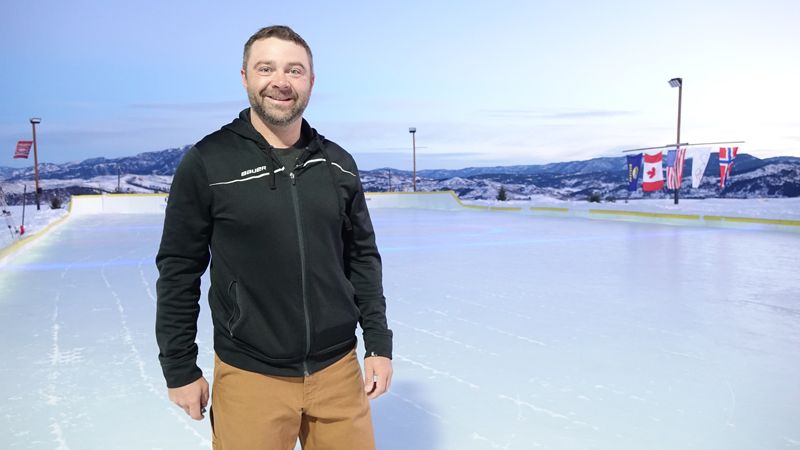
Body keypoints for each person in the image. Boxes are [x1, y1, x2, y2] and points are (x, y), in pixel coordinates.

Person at [155, 25, 393, 450]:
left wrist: (377, 343)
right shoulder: (209, 162)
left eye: (294, 70)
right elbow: (179, 269)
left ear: (311, 81)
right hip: (250, 375)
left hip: (338, 371)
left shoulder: (338, 164)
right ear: (245, 77)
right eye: (266, 68)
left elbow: (361, 257)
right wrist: (179, 367)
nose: (281, 81)